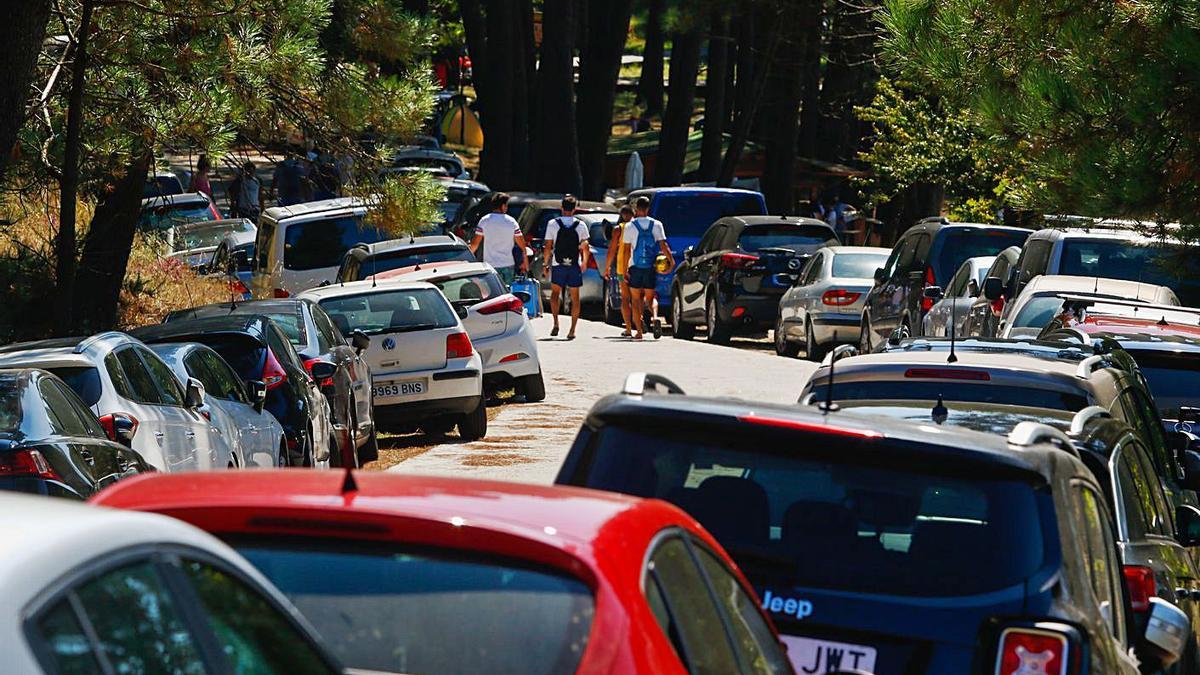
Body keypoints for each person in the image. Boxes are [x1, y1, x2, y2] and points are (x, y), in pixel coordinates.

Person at [622, 196, 673, 340]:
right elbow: (664, 246)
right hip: (650, 266)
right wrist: (671, 262)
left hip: (635, 267)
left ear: (636, 209)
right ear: (648, 208)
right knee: (651, 298)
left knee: (636, 300)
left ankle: (638, 331)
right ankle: (655, 317)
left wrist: (625, 268)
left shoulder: (629, 226)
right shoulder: (656, 225)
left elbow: (626, 250)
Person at [543, 195, 591, 339]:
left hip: (558, 264)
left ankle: (556, 322)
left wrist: (546, 264)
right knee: (575, 298)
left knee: (555, 294)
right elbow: (585, 246)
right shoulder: (580, 225)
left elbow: (548, 246)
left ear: (561, 208)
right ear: (575, 209)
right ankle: (572, 330)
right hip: (574, 264)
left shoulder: (553, 223)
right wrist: (585, 262)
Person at [470, 192, 528, 287]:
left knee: (493, 296)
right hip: (508, 265)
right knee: (507, 294)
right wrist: (525, 262)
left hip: (490, 266)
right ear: (503, 206)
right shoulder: (512, 222)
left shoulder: (484, 221)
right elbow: (522, 245)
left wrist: (468, 259)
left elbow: (475, 244)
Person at [603, 205, 635, 336]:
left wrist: (607, 267)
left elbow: (611, 250)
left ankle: (628, 328)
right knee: (639, 297)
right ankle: (642, 320)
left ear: (622, 215)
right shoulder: (639, 227)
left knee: (625, 298)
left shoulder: (619, 229)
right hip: (640, 266)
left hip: (623, 267)